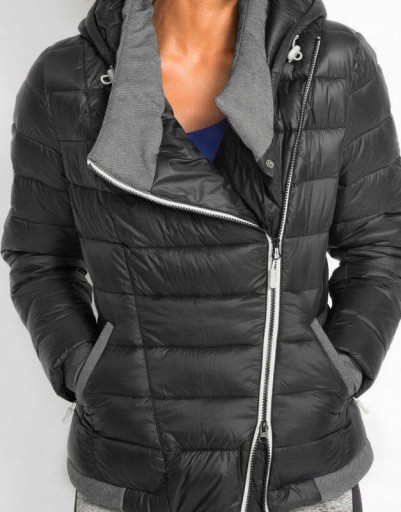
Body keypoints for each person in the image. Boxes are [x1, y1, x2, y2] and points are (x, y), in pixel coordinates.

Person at [2, 0, 400, 510]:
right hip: (134, 464)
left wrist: (339, 368)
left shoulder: (333, 63)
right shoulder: (64, 80)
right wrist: (87, 370)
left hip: (298, 463)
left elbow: (379, 246)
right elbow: (39, 259)